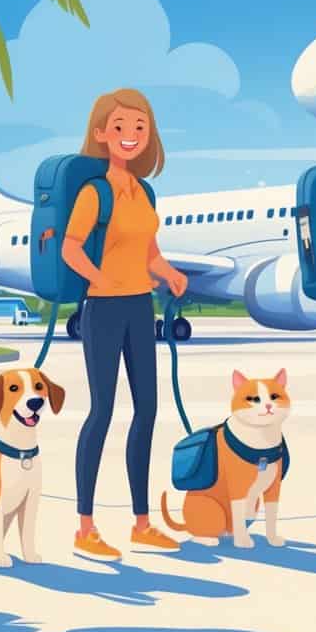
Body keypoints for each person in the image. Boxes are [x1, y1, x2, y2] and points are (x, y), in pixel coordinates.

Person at [62, 89, 188, 561]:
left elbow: (149, 251)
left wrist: (169, 273)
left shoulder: (143, 193)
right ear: (100, 135)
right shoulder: (95, 192)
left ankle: (140, 523)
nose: (131, 136)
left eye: (140, 128)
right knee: (102, 412)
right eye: (120, 127)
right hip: (104, 308)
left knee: (148, 411)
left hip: (140, 308)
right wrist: (100, 276)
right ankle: (85, 527)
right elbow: (71, 247)